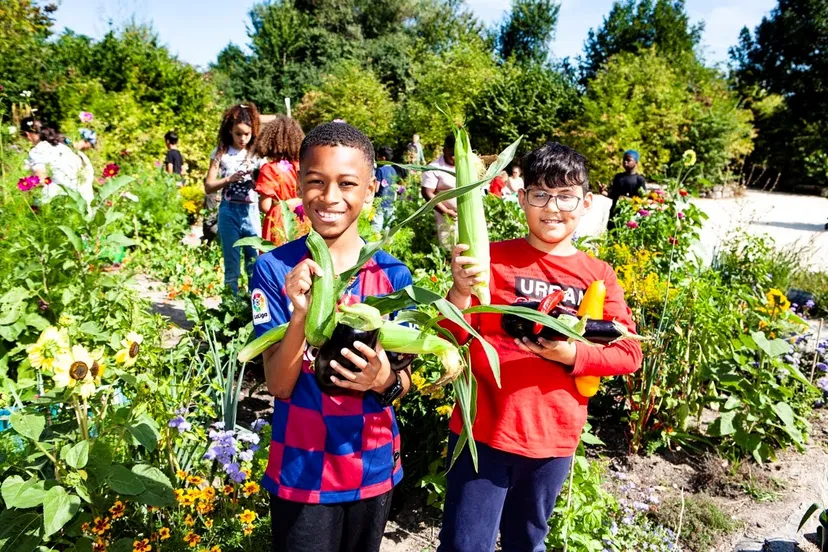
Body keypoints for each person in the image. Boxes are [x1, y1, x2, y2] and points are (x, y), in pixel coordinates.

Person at [438, 142, 643, 552]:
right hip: (482, 434)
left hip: (552, 439)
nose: (552, 207)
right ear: (522, 198)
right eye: (540, 195)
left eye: (566, 196)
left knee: (527, 542)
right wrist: (459, 292)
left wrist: (571, 355)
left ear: (586, 203)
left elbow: (628, 353)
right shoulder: (490, 259)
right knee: (464, 545)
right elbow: (449, 338)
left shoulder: (597, 275)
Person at [249, 122, 414, 552]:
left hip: (371, 465)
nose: (330, 197)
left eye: (347, 183)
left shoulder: (393, 276)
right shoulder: (274, 270)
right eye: (316, 181)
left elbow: (404, 380)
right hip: (301, 469)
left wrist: (381, 379)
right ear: (299, 185)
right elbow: (279, 384)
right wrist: (300, 314)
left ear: (371, 189)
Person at [204, 103, 262, 295]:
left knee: (254, 265)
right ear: (230, 130)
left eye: (247, 134)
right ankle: (230, 306)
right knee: (232, 267)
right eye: (238, 134)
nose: (243, 138)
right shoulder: (220, 153)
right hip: (228, 212)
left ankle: (253, 308)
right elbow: (208, 186)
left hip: (251, 212)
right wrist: (229, 179)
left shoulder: (257, 155)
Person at [255, 115, 305, 245]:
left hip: (279, 219)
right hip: (301, 216)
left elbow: (265, 206)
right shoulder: (303, 166)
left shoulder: (269, 169)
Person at [20, 117, 92, 205]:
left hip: (60, 203)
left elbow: (40, 180)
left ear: (27, 134)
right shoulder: (66, 145)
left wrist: (23, 187)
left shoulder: (38, 151)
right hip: (85, 202)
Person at [420, 135, 457, 249]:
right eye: (452, 153)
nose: (454, 157)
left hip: (467, 215)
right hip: (447, 218)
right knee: (450, 247)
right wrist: (445, 211)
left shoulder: (465, 165)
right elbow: (427, 192)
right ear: (445, 149)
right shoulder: (434, 168)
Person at [607, 149, 646, 227]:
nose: (625, 162)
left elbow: (642, 200)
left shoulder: (639, 179)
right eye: (624, 160)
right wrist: (604, 192)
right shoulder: (618, 177)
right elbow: (613, 195)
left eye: (628, 160)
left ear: (636, 162)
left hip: (630, 214)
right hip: (615, 214)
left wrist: (627, 199)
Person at [372, 145, 398, 232]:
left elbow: (376, 188)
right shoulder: (393, 170)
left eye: (378, 157)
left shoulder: (380, 170)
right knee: (387, 227)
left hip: (380, 202)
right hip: (391, 202)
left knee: (376, 227)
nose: (377, 159)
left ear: (383, 158)